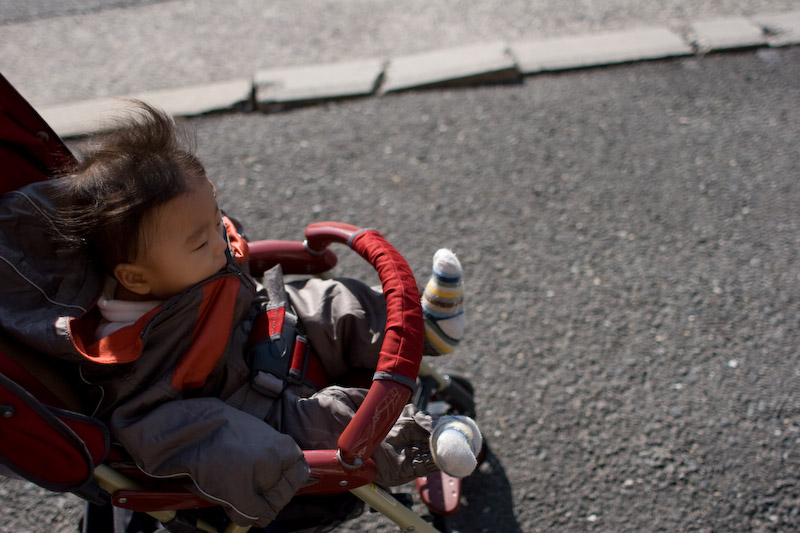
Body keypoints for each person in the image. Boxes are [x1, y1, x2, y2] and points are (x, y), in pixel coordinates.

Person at [47, 103, 481, 528]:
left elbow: (227, 256)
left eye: (218, 224)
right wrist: (270, 461)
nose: (220, 244)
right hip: (249, 408)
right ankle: (432, 438)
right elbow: (169, 435)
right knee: (334, 425)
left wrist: (228, 251)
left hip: (262, 320)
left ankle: (426, 329)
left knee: (330, 302)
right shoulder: (129, 356)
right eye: (201, 243)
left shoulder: (182, 262)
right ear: (135, 279)